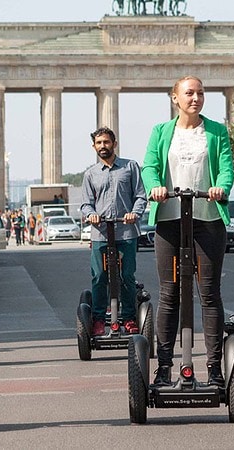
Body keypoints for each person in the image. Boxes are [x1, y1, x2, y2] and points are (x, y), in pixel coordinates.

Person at [141, 76, 234, 388]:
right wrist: (155, 186)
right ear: (175, 98)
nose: (196, 98)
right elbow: (150, 166)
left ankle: (215, 369)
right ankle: (164, 367)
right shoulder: (160, 132)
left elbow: (226, 168)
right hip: (170, 218)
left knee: (208, 293)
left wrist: (221, 187)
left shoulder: (217, 132)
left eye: (201, 93)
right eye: (189, 93)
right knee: (169, 294)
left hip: (207, 218)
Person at [81, 127, 147, 336]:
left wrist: (134, 213)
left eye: (106, 142)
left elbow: (140, 196)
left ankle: (128, 317)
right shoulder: (90, 174)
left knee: (126, 275)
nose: (103, 146)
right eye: (99, 143)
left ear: (114, 144)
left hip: (126, 232)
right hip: (100, 233)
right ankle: (99, 319)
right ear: (94, 146)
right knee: (99, 276)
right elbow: (85, 204)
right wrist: (91, 214)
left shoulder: (130, 167)